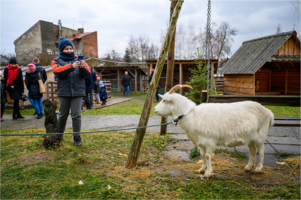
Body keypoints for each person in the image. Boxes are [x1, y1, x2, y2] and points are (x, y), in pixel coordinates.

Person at [51, 37, 91, 146]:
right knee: (62, 115)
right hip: (63, 92)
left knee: (76, 115)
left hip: (78, 92)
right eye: (66, 49)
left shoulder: (79, 59)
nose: (69, 51)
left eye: (71, 48)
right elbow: (57, 71)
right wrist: (71, 66)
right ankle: (59, 135)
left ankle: (77, 137)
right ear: (61, 50)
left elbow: (88, 72)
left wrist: (82, 67)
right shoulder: (56, 61)